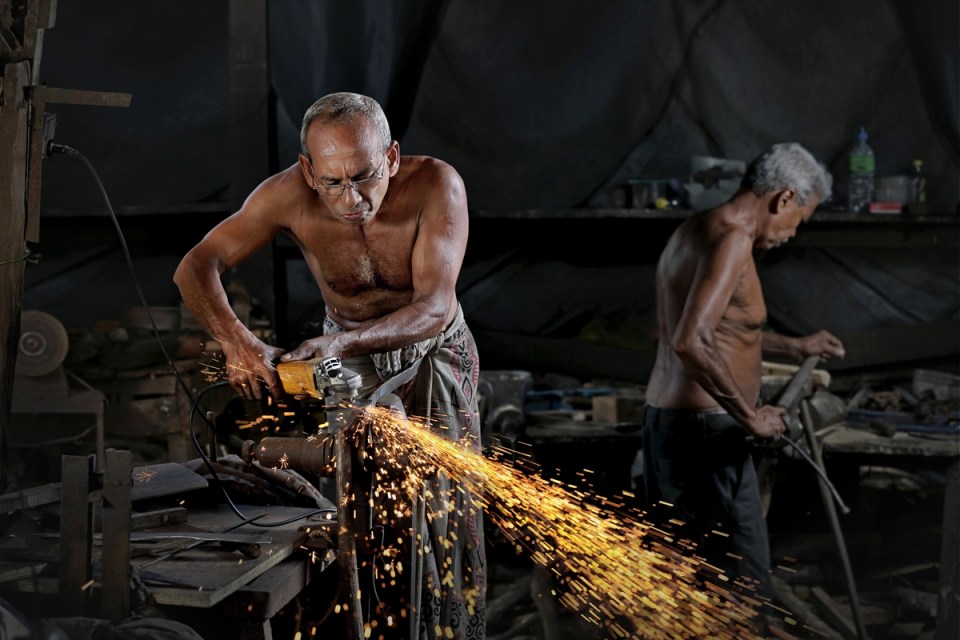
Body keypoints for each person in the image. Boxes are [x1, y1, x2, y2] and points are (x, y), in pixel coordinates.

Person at [174, 92, 486, 639]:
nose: (352, 199)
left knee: (442, 507)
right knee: (356, 497)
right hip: (344, 349)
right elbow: (196, 266)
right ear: (307, 170)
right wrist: (238, 342)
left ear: (390, 158)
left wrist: (341, 346)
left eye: (365, 177)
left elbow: (434, 308)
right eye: (333, 183)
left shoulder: (437, 185)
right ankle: (369, 622)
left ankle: (450, 627)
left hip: (434, 349)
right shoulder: (285, 196)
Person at [641, 142, 846, 605]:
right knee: (742, 583)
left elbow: (718, 327)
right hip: (705, 435)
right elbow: (690, 340)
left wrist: (794, 346)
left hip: (670, 426)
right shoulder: (734, 238)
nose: (794, 233)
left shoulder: (698, 229)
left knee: (682, 576)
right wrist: (750, 416)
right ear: (784, 199)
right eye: (801, 220)